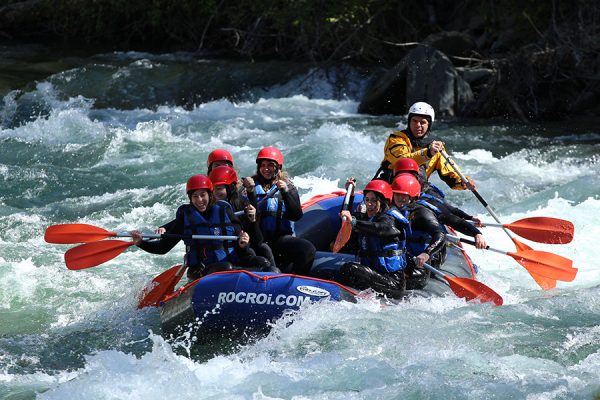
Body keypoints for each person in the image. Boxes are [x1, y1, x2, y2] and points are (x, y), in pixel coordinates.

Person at [131, 174, 276, 281]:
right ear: (190, 198)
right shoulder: (185, 217)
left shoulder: (224, 210)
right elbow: (163, 248)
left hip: (233, 264)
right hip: (201, 271)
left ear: (210, 194)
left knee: (265, 264)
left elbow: (244, 241)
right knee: (226, 267)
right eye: (195, 196)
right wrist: (141, 243)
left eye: (203, 195)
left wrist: (244, 243)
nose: (200, 200)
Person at [241, 146, 316, 276]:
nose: (265, 169)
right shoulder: (248, 186)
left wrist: (285, 193)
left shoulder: (288, 186)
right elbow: (250, 217)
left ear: (278, 167)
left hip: (280, 239)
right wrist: (250, 192)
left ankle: (297, 281)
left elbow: (296, 215)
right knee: (264, 251)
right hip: (257, 239)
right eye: (262, 165)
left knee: (308, 249)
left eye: (270, 165)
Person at [374, 101, 476, 191]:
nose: (418, 125)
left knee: (450, 211)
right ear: (409, 121)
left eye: (422, 122)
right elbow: (402, 162)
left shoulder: (435, 148)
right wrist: (427, 153)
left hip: (417, 190)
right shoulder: (396, 139)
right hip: (392, 187)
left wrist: (463, 182)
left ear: (429, 125)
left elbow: (450, 172)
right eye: (414, 121)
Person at [335, 179, 408, 299]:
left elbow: (380, 228)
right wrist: (351, 195)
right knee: (330, 272)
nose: (369, 204)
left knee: (350, 269)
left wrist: (353, 222)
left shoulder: (389, 220)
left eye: (374, 200)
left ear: (383, 202)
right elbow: (344, 217)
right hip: (375, 275)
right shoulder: (366, 217)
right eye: (367, 200)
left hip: (392, 283)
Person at [393, 158, 487, 249]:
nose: (404, 179)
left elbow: (451, 216)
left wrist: (476, 232)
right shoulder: (390, 194)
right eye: (400, 175)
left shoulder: (427, 202)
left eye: (408, 175)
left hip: (423, 246)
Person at [208, 165, 277, 267]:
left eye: (219, 189)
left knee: (263, 250)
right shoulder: (206, 208)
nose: (215, 193)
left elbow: (257, 241)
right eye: (213, 189)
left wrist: (253, 221)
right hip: (218, 256)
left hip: (240, 251)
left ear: (231, 188)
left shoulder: (242, 205)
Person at [390, 173, 447, 289]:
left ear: (413, 197)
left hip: (418, 267)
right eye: (397, 194)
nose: (400, 198)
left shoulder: (422, 213)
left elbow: (440, 234)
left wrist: (427, 253)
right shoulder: (389, 211)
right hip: (397, 261)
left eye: (404, 196)